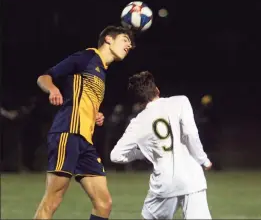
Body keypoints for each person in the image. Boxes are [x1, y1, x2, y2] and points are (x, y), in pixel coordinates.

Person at [34, 26, 134, 220]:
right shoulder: (87, 57)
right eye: (125, 39)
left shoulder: (102, 72)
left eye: (130, 42)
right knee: (52, 200)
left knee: (104, 204)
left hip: (85, 142)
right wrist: (53, 90)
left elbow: (83, 98)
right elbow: (44, 77)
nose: (129, 45)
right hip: (68, 132)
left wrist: (95, 114)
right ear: (108, 39)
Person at [110, 71, 213, 219]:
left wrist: (142, 154)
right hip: (192, 178)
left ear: (138, 101)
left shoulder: (138, 122)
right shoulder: (181, 101)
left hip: (165, 183)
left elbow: (116, 155)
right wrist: (203, 160)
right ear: (157, 90)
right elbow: (191, 135)